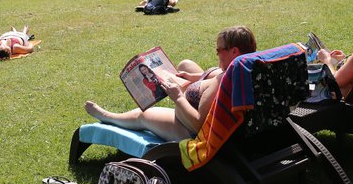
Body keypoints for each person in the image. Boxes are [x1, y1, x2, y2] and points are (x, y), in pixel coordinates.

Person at [84, 26, 257, 141]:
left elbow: (198, 125)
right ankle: (182, 80)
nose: (216, 53)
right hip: (205, 101)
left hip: (187, 128)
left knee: (144, 115)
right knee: (185, 64)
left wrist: (178, 98)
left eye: (219, 49)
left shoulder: (223, 82)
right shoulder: (247, 68)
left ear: (234, 51)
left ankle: (107, 117)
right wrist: (195, 77)